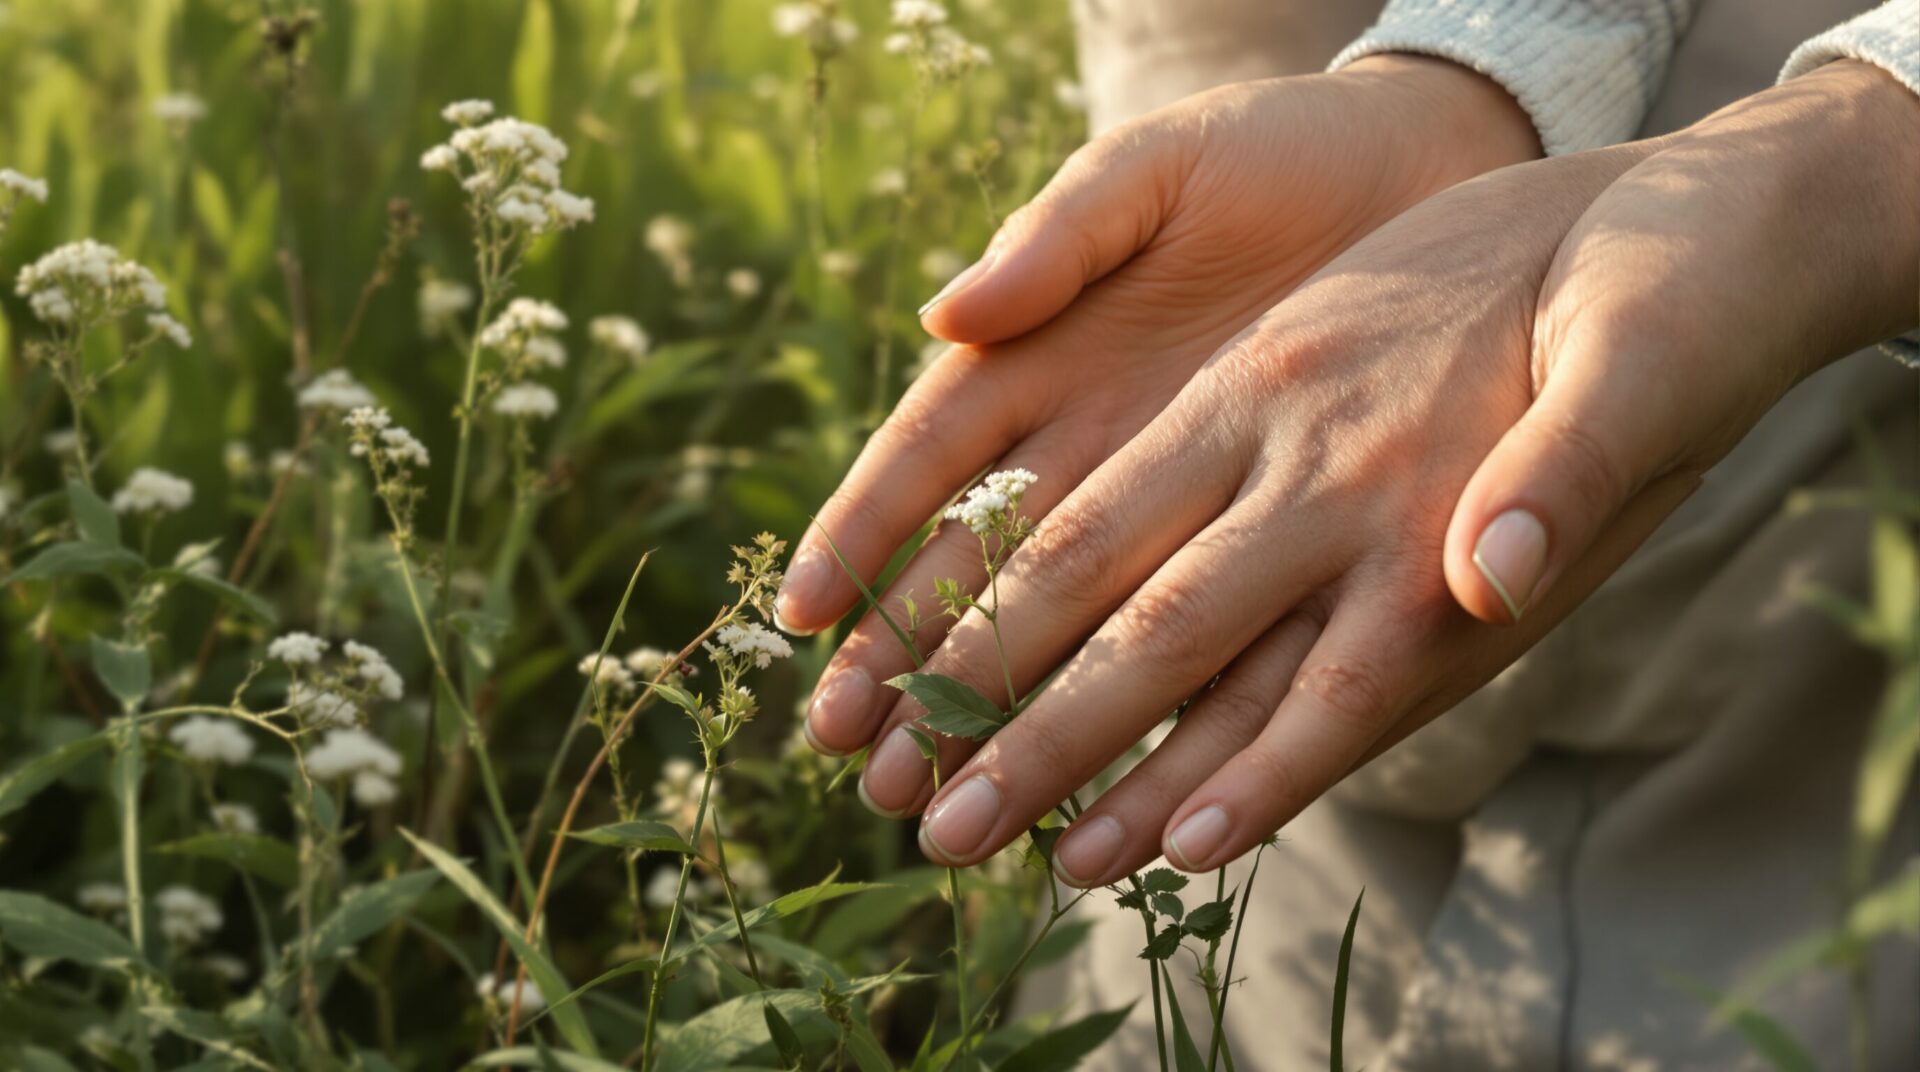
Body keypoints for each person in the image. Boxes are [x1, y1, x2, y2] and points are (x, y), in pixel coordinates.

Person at [778, 0, 1920, 1065]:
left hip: (1797, 763)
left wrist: (1858, 158)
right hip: (1244, 849)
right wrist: (1476, 74)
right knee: (1212, 720)